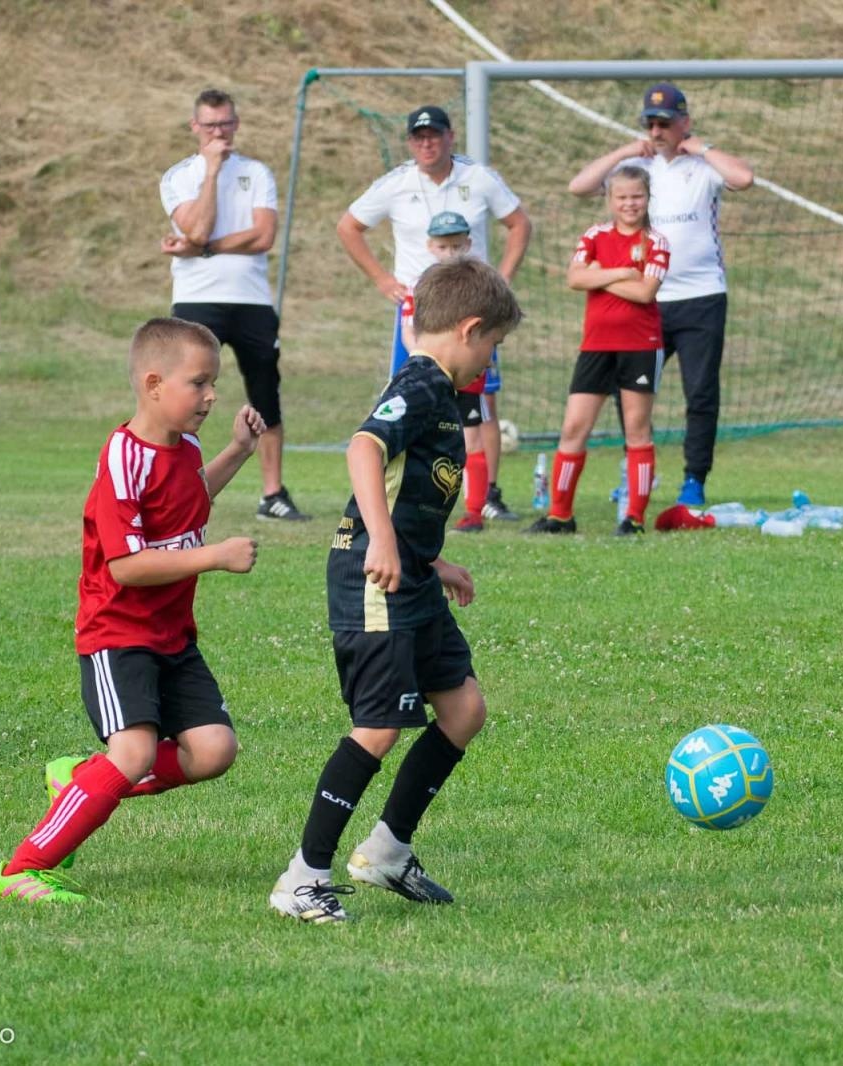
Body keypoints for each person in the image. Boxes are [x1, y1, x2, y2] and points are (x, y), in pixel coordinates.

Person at [268, 258, 523, 924]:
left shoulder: (442, 391)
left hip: (412, 578)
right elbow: (363, 449)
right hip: (373, 579)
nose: (489, 361)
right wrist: (383, 542)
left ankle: (386, 852)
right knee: (378, 726)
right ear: (468, 330)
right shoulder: (419, 383)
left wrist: (435, 564)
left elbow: (404, 493)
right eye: (491, 346)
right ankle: (302, 877)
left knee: (463, 709)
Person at [0, 318, 265, 904]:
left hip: (171, 634)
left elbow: (190, 495)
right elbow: (126, 567)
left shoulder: (184, 446)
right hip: (119, 634)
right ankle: (21, 870)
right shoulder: (122, 458)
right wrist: (214, 556)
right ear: (154, 384)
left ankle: (81, 780)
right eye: (199, 383)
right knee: (135, 753)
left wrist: (238, 452)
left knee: (214, 749)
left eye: (214, 382)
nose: (212, 395)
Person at [337, 105, 532, 522]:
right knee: (409, 394)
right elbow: (348, 226)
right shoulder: (396, 183)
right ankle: (406, 487)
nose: (427, 143)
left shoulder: (477, 178)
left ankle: (489, 495)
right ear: (410, 142)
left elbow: (519, 224)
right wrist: (381, 279)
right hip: (420, 313)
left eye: (434, 135)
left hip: (471, 309)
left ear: (450, 136)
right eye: (418, 137)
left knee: (483, 403)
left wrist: (502, 281)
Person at [568, 82, 754, 509]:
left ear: (683, 124)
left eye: (666, 123)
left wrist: (701, 148)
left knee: (701, 391)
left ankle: (694, 479)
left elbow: (744, 178)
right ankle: (634, 478)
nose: (657, 131)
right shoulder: (636, 168)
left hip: (702, 296)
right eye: (651, 123)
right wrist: (624, 152)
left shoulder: (702, 166)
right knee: (628, 391)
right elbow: (579, 186)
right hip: (643, 300)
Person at [160, 88, 308, 522]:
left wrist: (202, 249)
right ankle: (171, 482)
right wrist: (210, 173)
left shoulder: (257, 173)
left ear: (236, 123)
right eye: (210, 125)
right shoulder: (178, 177)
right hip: (196, 299)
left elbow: (262, 236)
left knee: (266, 393)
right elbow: (198, 227)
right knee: (183, 392)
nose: (218, 133)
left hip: (251, 300)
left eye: (225, 123)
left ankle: (273, 494)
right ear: (195, 127)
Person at [528, 165, 670, 537]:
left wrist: (602, 273)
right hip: (596, 347)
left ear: (647, 198)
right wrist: (623, 272)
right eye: (621, 197)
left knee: (637, 429)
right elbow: (575, 278)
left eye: (636, 196)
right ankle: (560, 516)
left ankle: (634, 518)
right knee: (574, 426)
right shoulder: (594, 235)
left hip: (640, 345)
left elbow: (645, 293)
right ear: (609, 200)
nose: (629, 204)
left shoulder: (657, 242)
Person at [398, 211, 496, 535]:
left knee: (471, 436)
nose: (451, 253)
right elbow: (409, 331)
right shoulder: (420, 286)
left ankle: (474, 511)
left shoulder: (478, 285)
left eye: (457, 246)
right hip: (432, 373)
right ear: (430, 246)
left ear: (468, 244)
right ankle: (422, 505)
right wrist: (424, 361)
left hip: (467, 373)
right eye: (443, 246)